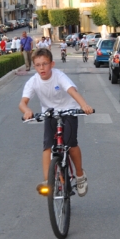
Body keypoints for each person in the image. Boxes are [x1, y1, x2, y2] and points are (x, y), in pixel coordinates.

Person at [19, 48, 94, 197]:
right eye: (38, 65)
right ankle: (48, 180)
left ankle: (80, 175)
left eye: (45, 64)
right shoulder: (33, 81)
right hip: (50, 114)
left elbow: (72, 91)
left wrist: (84, 106)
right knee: (48, 146)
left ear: (52, 64)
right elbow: (23, 102)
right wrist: (26, 111)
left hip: (69, 111)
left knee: (71, 144)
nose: (42, 68)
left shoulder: (59, 76)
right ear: (34, 66)